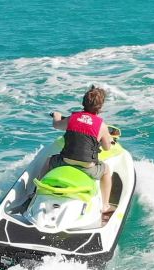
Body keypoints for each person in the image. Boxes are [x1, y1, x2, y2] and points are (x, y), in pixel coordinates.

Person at [48, 86, 116, 217]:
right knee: (106, 170)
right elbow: (107, 147)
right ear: (100, 108)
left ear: (83, 103)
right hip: (87, 167)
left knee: (48, 161)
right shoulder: (102, 125)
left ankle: (35, 191)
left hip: (65, 161)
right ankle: (106, 205)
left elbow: (57, 125)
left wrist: (56, 116)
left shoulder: (72, 118)